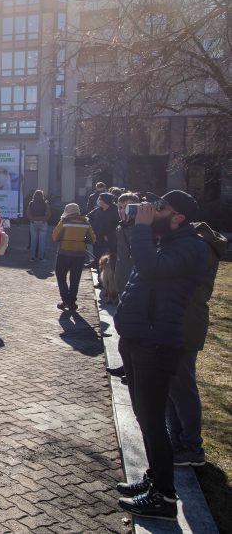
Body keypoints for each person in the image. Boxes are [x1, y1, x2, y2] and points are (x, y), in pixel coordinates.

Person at [114, 191, 208, 521]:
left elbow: (151, 269)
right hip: (141, 338)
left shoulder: (191, 247)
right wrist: (134, 225)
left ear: (178, 216)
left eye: (161, 208)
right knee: (145, 416)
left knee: (154, 421)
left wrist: (141, 226)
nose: (154, 211)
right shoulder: (167, 240)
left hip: (157, 343)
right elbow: (139, 268)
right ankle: (156, 479)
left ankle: (165, 498)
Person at [166, 220, 225, 468]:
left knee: (183, 387)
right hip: (176, 321)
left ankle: (192, 447)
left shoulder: (198, 247)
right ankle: (178, 440)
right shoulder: (193, 244)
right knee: (171, 385)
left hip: (185, 322)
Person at [51, 203, 96, 311]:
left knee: (61, 276)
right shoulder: (86, 222)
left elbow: (55, 236)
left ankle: (65, 300)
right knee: (75, 279)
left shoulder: (65, 221)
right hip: (79, 254)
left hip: (64, 253)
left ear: (67, 211)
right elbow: (92, 239)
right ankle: (72, 302)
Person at [114, 193, 140, 297]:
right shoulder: (120, 227)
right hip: (122, 276)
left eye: (127, 207)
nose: (123, 210)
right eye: (120, 207)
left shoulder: (143, 227)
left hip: (136, 279)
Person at [88, 192, 119, 266]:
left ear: (105, 200)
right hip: (97, 236)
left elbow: (118, 225)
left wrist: (109, 235)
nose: (98, 201)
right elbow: (88, 217)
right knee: (97, 253)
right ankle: (96, 263)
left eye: (100, 199)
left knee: (107, 258)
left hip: (108, 240)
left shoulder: (115, 211)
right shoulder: (98, 210)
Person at [26, 190, 51, 261]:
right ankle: (41, 257)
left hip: (33, 223)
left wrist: (32, 220)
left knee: (33, 241)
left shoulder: (31, 203)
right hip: (43, 223)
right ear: (42, 195)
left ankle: (32, 257)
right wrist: (44, 220)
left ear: (34, 195)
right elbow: (49, 213)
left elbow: (28, 213)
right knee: (42, 241)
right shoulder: (45, 203)